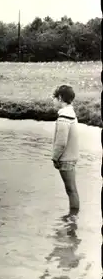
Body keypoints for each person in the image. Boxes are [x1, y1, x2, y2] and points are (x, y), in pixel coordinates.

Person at [51, 85, 79, 215]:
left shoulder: (63, 118)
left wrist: (55, 158)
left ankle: (73, 218)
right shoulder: (71, 114)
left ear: (60, 98)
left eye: (54, 98)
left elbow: (61, 143)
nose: (53, 100)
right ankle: (73, 218)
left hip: (66, 159)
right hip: (72, 157)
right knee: (72, 189)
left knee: (70, 190)